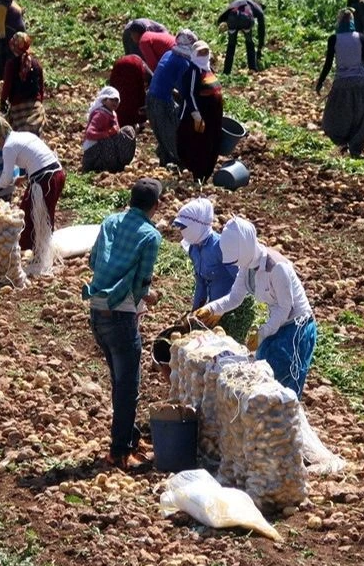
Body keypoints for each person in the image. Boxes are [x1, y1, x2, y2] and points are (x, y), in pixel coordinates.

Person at [82, 177, 164, 469]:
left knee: (119, 380)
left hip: (97, 311)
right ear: (156, 205)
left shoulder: (110, 222)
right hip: (120, 316)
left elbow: (93, 261)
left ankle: (130, 436)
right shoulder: (150, 237)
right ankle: (119, 452)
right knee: (128, 386)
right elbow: (142, 283)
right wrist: (149, 297)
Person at [194, 217, 317, 399]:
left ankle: (283, 423)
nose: (235, 265)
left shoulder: (276, 268)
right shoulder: (247, 266)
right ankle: (266, 423)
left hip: (296, 327)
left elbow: (285, 308)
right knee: (263, 369)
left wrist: (262, 333)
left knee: (283, 382)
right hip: (278, 323)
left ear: (245, 248)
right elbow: (235, 297)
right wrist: (212, 308)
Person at [0, 116, 64, 277]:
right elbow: (37, 158)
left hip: (46, 179)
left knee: (40, 217)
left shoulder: (8, 146)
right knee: (28, 211)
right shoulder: (23, 135)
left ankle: (41, 257)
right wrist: (25, 177)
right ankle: (37, 252)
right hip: (54, 174)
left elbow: (7, 175)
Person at [172, 198, 253, 344]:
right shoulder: (193, 248)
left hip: (232, 312)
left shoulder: (221, 247)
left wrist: (222, 309)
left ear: (198, 225)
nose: (181, 231)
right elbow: (201, 282)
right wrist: (195, 310)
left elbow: (242, 283)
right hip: (211, 311)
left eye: (184, 227)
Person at [316, 8, 364, 157]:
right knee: (360, 115)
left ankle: (341, 142)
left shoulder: (334, 39)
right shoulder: (360, 37)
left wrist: (320, 81)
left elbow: (328, 63)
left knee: (337, 114)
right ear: (352, 21)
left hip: (341, 83)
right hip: (360, 82)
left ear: (339, 21)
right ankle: (355, 147)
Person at [147, 29, 197, 167]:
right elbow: (184, 90)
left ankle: (165, 158)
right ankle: (180, 162)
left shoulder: (168, 54)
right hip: (161, 101)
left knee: (167, 127)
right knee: (172, 131)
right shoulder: (183, 63)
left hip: (152, 97)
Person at [175, 40, 223, 182]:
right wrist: (196, 114)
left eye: (205, 51)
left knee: (212, 143)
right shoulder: (193, 70)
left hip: (213, 116)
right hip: (200, 116)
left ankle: (206, 173)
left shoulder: (208, 68)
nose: (203, 54)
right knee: (198, 144)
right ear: (194, 53)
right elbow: (189, 94)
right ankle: (197, 174)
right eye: (200, 52)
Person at [81, 86, 137, 174]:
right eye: (112, 100)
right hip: (93, 155)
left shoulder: (112, 113)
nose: (115, 102)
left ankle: (119, 164)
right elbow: (89, 133)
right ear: (104, 100)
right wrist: (107, 133)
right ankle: (107, 167)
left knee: (128, 131)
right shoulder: (100, 114)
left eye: (116, 100)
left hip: (105, 151)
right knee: (107, 140)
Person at [0, 32, 45, 135]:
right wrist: (39, 102)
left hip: (18, 106)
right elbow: (41, 87)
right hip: (35, 107)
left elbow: (7, 85)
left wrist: (3, 101)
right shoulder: (36, 64)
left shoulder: (11, 65)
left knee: (17, 134)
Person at [216, 0, 265, 74]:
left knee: (231, 45)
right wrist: (260, 47)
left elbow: (225, 14)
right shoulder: (257, 7)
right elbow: (261, 29)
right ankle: (252, 69)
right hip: (245, 19)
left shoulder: (237, 2)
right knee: (249, 43)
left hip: (232, 19)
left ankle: (226, 72)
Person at [108, 53, 150, 129]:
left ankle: (120, 122)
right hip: (133, 67)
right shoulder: (143, 68)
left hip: (121, 66)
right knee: (133, 95)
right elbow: (142, 91)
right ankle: (132, 123)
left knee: (120, 93)